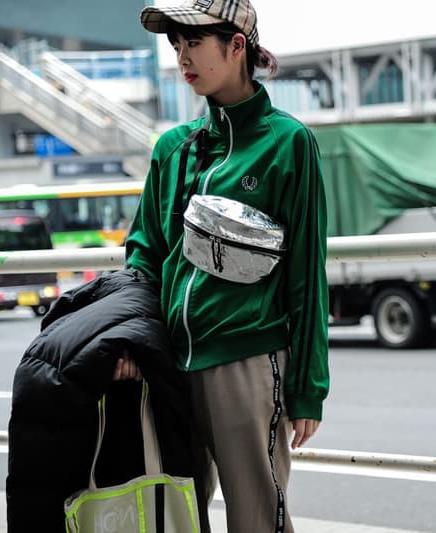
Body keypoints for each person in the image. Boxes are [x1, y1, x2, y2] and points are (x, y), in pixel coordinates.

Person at [122, 0, 330, 531]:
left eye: (193, 43)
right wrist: (130, 341)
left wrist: (308, 388)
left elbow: (307, 274)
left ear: (237, 45)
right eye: (175, 45)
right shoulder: (173, 148)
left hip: (247, 359)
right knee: (172, 516)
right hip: (168, 363)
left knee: (257, 517)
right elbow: (144, 253)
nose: (181, 57)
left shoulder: (288, 144)